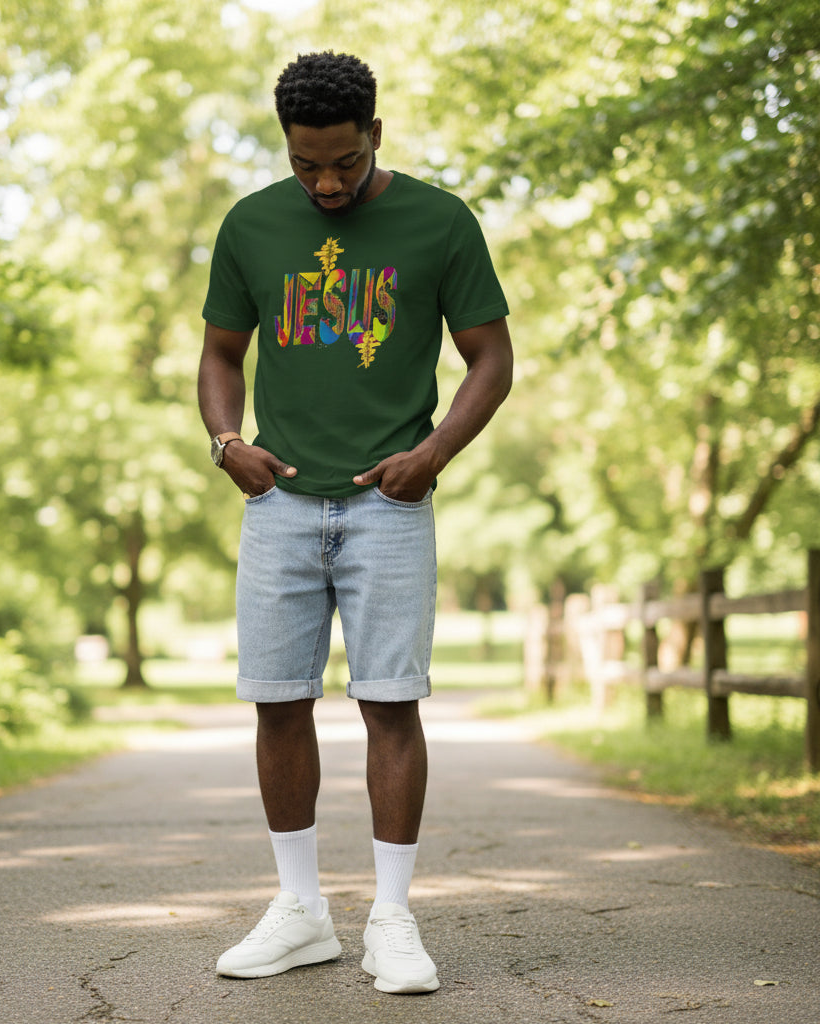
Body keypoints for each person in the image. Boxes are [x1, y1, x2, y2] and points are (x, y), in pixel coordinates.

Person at [197, 51, 512, 995]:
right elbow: (219, 351)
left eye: (341, 161)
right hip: (279, 502)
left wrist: (434, 455)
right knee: (278, 700)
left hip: (388, 502)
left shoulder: (439, 221)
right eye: (306, 165)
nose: (325, 182)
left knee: (389, 703)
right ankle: (300, 914)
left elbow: (491, 359)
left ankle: (392, 920)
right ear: (286, 146)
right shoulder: (250, 224)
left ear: (376, 132)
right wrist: (225, 441)